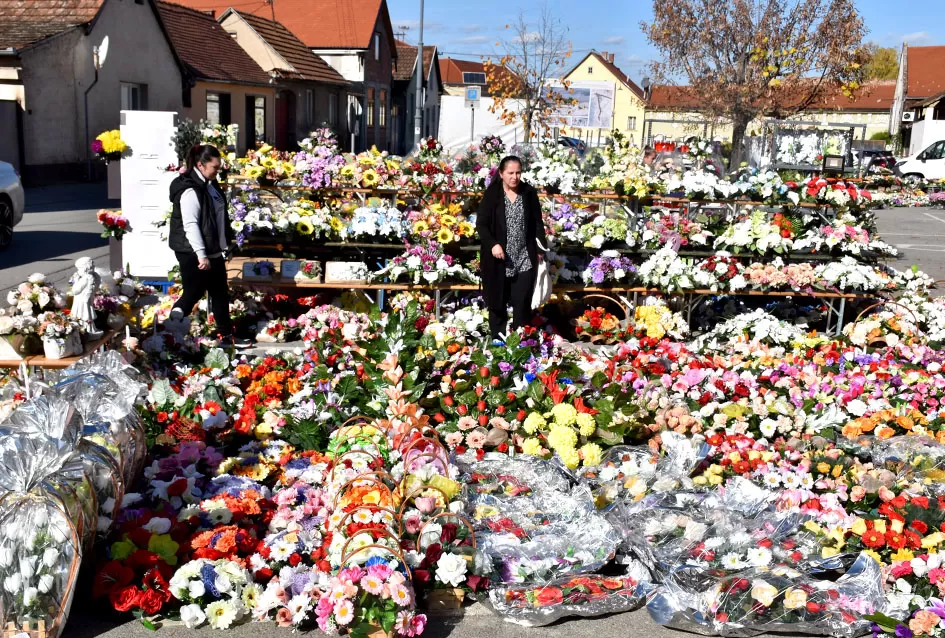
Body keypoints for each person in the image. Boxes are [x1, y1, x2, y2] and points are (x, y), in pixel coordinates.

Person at [167, 144, 248, 346]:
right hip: (193, 250)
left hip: (212, 249)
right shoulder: (190, 190)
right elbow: (191, 224)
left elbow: (217, 218)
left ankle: (226, 336)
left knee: (219, 291)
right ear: (200, 165)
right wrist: (201, 254)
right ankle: (170, 326)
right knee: (194, 291)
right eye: (214, 167)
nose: (217, 171)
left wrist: (225, 245)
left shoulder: (210, 185)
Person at [476, 155, 548, 339]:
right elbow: (482, 224)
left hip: (524, 256)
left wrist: (540, 249)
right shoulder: (492, 195)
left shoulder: (528, 193)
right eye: (510, 173)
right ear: (501, 173)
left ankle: (519, 342)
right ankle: (498, 342)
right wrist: (492, 244)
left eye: (518, 173)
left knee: (522, 303)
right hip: (499, 259)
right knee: (497, 303)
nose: (514, 177)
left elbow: (537, 223)